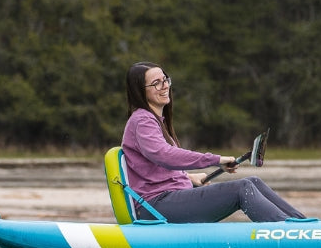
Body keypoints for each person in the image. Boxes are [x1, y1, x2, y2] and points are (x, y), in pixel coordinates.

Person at [122, 61, 308, 224]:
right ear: (140, 91)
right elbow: (164, 155)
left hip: (168, 198)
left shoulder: (152, 121)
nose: (164, 86)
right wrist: (215, 159)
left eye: (165, 80)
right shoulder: (142, 121)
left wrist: (188, 178)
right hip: (155, 206)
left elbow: (154, 168)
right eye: (156, 83)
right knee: (242, 188)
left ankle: (303, 226)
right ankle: (288, 233)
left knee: (253, 181)